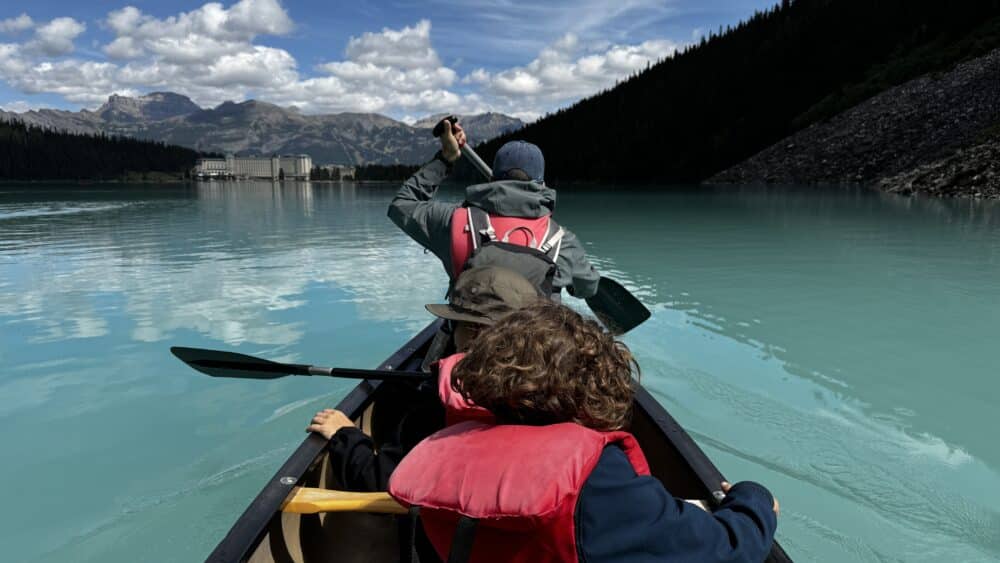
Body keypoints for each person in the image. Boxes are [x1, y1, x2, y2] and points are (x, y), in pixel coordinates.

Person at [389, 302, 779, 563]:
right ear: (597, 386)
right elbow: (727, 550)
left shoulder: (444, 450)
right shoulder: (594, 483)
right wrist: (755, 500)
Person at [306, 266, 546, 491]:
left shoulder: (439, 405)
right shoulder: (557, 391)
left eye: (454, 323)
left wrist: (345, 435)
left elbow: (379, 482)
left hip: (452, 533)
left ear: (473, 331)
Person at [387, 119, 600, 299]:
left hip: (471, 341)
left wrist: (445, 159)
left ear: (493, 179)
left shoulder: (453, 222)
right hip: (536, 348)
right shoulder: (563, 241)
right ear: (542, 184)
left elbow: (402, 205)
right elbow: (588, 288)